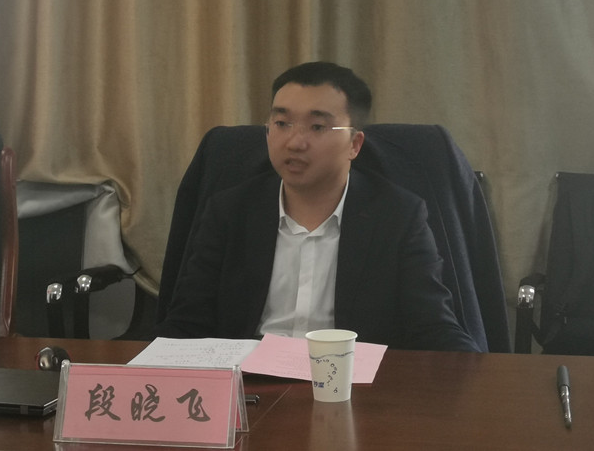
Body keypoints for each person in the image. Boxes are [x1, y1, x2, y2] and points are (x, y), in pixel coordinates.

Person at [155, 61, 480, 352]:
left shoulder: (397, 216)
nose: (295, 142)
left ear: (354, 144)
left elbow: (433, 328)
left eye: (317, 127)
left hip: (350, 385)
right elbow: (186, 325)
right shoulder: (230, 211)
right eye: (282, 123)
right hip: (249, 385)